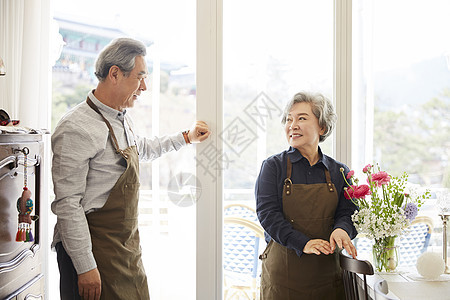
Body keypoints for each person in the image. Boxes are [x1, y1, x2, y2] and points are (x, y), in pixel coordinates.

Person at [51, 37, 210, 300]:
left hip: (124, 248)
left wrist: (186, 137)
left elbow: (142, 149)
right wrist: (86, 267)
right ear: (115, 73)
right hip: (91, 253)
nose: (144, 86)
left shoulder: (121, 117)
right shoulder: (75, 127)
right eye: (140, 77)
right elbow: (68, 205)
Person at [255, 91, 358, 299]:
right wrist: (303, 243)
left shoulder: (340, 172)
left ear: (322, 126)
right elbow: (268, 215)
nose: (292, 125)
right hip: (283, 279)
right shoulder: (273, 167)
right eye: (289, 119)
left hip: (329, 277)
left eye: (302, 118)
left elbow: (350, 212)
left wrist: (342, 229)